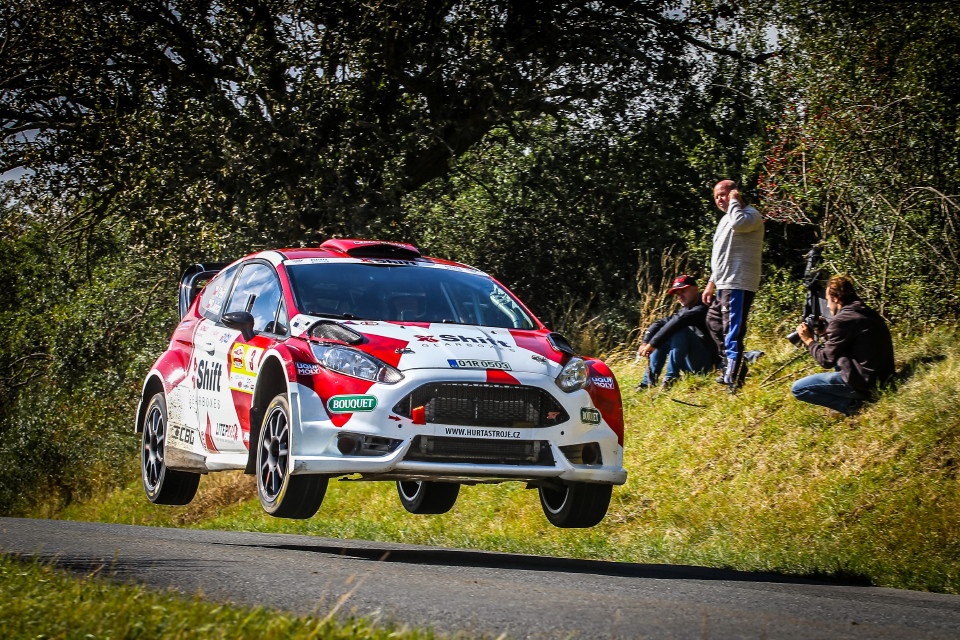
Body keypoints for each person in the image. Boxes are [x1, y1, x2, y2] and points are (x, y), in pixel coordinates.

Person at [791, 274, 895, 416]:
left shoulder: (841, 321)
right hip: (885, 379)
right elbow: (845, 345)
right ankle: (856, 398)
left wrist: (808, 340)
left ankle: (851, 405)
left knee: (798, 388)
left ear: (835, 298)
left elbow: (825, 360)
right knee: (839, 358)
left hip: (866, 384)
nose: (827, 305)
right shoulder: (866, 312)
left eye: (828, 300)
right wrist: (825, 333)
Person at [702, 179, 764, 391]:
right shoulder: (725, 219)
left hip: (738, 282)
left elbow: (739, 223)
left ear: (735, 193)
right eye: (716, 196)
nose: (719, 199)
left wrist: (735, 201)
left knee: (732, 331)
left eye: (723, 194)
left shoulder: (750, 215)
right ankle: (733, 365)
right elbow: (721, 256)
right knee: (713, 321)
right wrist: (711, 282)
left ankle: (733, 378)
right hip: (723, 283)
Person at [635, 274, 720, 390]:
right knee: (664, 332)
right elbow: (659, 323)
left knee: (678, 331)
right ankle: (648, 382)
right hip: (691, 363)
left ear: (696, 289)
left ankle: (671, 378)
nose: (680, 296)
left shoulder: (706, 304)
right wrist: (645, 342)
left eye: (683, 291)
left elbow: (679, 321)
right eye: (677, 294)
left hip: (708, 363)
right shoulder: (686, 309)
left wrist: (653, 344)